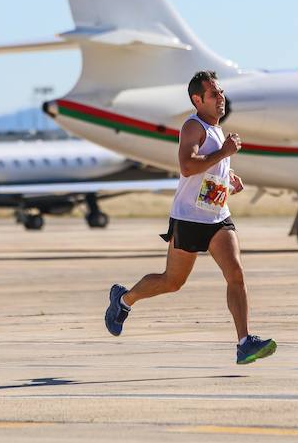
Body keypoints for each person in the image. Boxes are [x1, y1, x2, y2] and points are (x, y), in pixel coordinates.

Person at [104, 70, 277, 365]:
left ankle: (244, 342)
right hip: (188, 219)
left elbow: (208, 171)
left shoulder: (218, 130)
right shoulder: (193, 127)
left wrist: (229, 179)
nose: (221, 97)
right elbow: (187, 166)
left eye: (221, 92)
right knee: (172, 282)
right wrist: (224, 153)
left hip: (217, 218)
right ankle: (123, 300)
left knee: (235, 273)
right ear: (198, 100)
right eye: (214, 94)